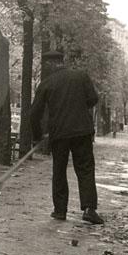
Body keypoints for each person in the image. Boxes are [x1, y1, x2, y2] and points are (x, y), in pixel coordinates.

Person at [30, 51, 104, 225]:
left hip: (59, 133)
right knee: (85, 169)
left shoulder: (46, 83)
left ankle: (60, 210)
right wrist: (78, 107)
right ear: (62, 62)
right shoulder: (81, 76)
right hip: (82, 130)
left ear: (49, 64)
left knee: (59, 170)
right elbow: (93, 99)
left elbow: (34, 113)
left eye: (45, 65)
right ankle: (89, 209)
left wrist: (37, 136)